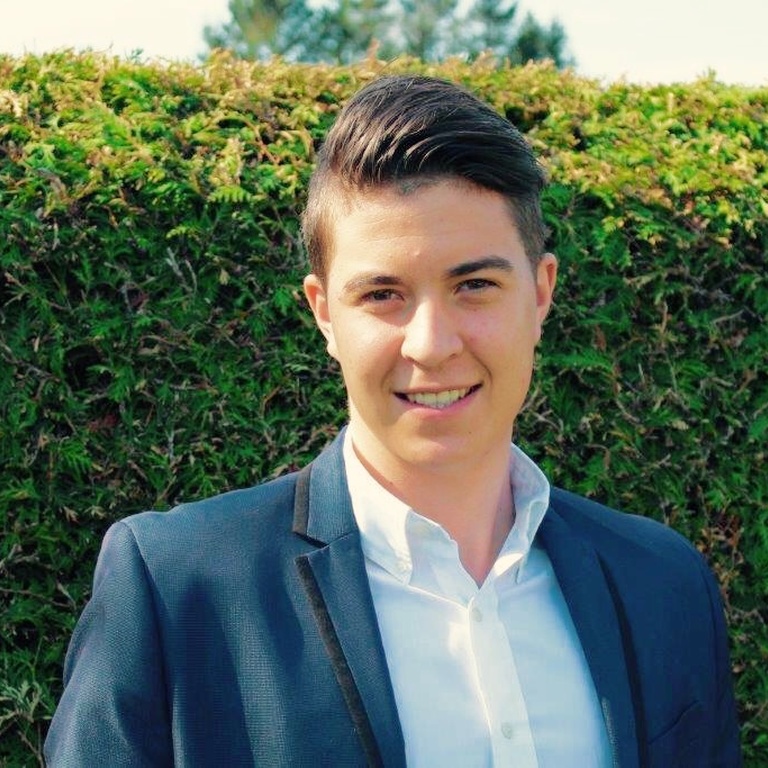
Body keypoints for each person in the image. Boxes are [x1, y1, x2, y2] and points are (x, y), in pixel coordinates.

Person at [45, 75, 741, 767]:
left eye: (474, 285)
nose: (431, 345)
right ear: (325, 313)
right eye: (383, 294)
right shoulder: (175, 590)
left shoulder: (663, 583)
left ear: (540, 294)